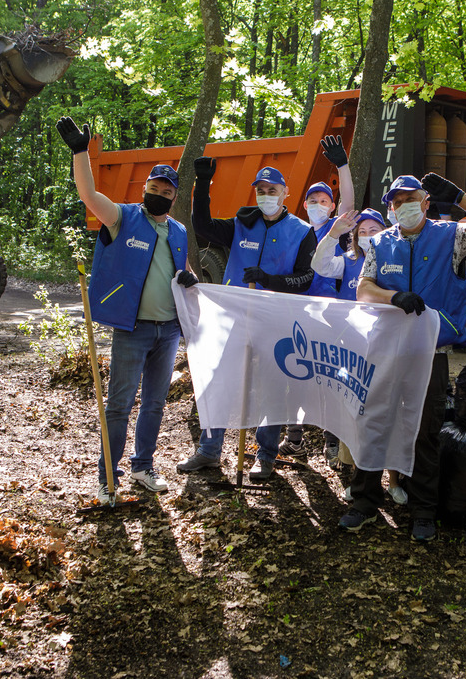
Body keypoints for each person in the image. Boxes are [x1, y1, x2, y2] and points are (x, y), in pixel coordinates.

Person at [341, 172, 466, 541]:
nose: (403, 206)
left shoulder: (452, 236)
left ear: (426, 201)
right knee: (374, 423)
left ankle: (423, 510)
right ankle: (365, 502)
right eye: (396, 201)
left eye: (410, 198)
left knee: (425, 431)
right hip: (385, 348)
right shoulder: (381, 243)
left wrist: (461, 196)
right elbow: (364, 290)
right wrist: (393, 297)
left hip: (430, 351)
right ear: (389, 208)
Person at [56, 117, 198, 504]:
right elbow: (89, 195)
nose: (159, 193)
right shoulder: (122, 217)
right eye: (153, 187)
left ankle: (142, 466)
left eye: (166, 190)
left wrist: (190, 278)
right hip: (131, 328)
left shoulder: (180, 231)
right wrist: (80, 153)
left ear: (174, 197)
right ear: (145, 188)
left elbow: (182, 268)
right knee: (119, 404)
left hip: (168, 331)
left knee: (154, 402)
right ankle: (107, 476)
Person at [177, 158, 316, 481]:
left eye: (272, 190)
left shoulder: (301, 231)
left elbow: (306, 278)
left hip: (274, 320)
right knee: (219, 381)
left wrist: (269, 279)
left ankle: (265, 456)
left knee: (271, 388)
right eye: (261, 191)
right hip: (232, 319)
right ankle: (209, 451)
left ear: (285, 193)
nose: (266, 195)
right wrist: (203, 185)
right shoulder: (243, 223)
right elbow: (203, 226)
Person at [311, 206, 408, 504]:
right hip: (352, 353)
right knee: (354, 415)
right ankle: (358, 480)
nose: (367, 237)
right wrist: (333, 232)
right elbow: (320, 264)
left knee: (390, 414)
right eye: (362, 232)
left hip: (387, 349)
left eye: (373, 231)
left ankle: (393, 481)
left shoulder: (396, 262)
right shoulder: (348, 262)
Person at [280, 135, 356, 465]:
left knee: (332, 377)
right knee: (297, 376)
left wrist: (343, 165)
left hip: (333, 317)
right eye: (313, 200)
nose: (319, 204)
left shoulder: (337, 232)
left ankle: (331, 443)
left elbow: (349, 204)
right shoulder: (297, 231)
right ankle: (294, 440)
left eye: (325, 200)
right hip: (299, 314)